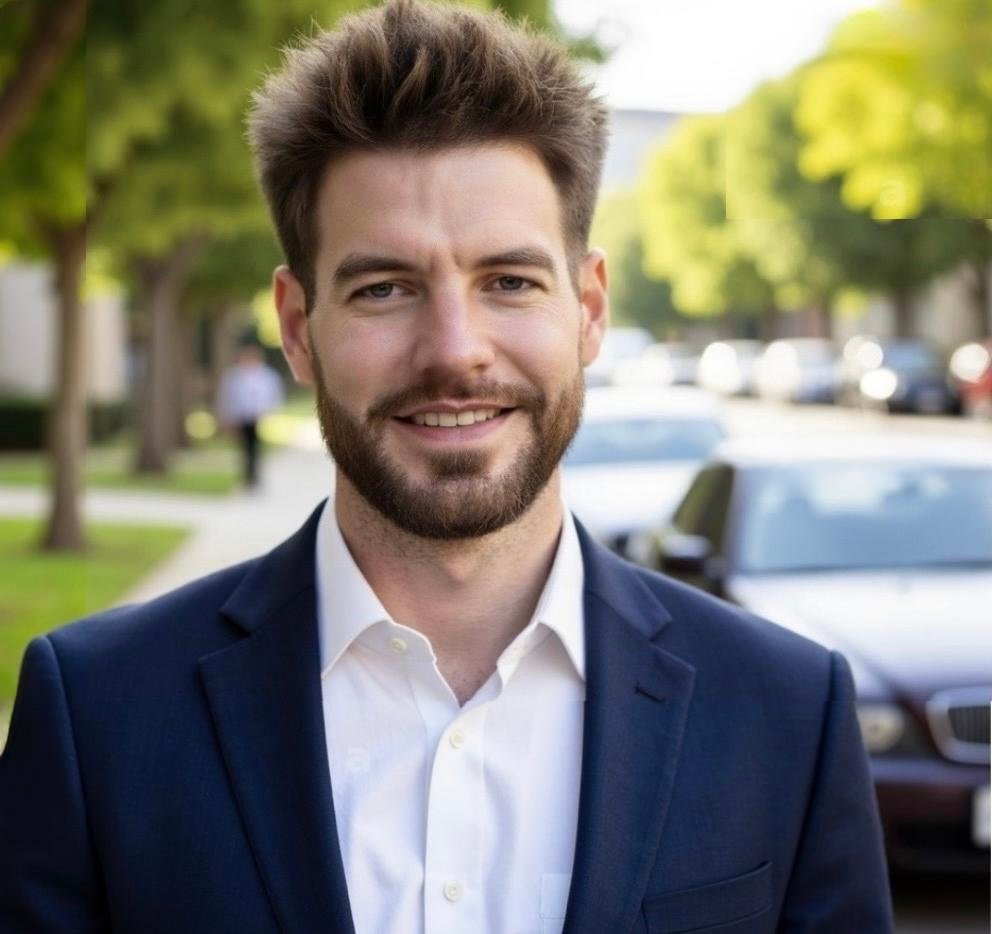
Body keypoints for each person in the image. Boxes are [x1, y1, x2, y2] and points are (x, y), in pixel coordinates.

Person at [0, 2, 894, 932]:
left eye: (509, 281)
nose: (456, 351)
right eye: (384, 288)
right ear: (299, 327)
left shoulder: (788, 713)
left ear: (588, 309)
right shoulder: (97, 713)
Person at [216, 342, 284, 487]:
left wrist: (268, 411)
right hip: (241, 416)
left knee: (254, 446)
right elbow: (227, 398)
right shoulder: (234, 376)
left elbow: (273, 395)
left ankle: (254, 475)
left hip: (257, 416)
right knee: (245, 447)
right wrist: (227, 417)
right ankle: (247, 475)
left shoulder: (266, 376)